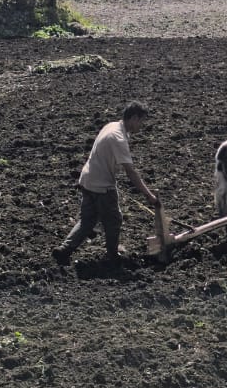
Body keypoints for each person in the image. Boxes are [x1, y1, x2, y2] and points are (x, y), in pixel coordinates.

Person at [53, 101, 159, 266]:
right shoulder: (118, 138)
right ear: (134, 118)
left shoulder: (111, 126)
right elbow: (131, 172)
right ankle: (113, 255)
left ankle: (64, 249)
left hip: (88, 179)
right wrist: (150, 196)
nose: (142, 126)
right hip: (102, 186)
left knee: (87, 220)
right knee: (114, 220)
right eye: (141, 121)